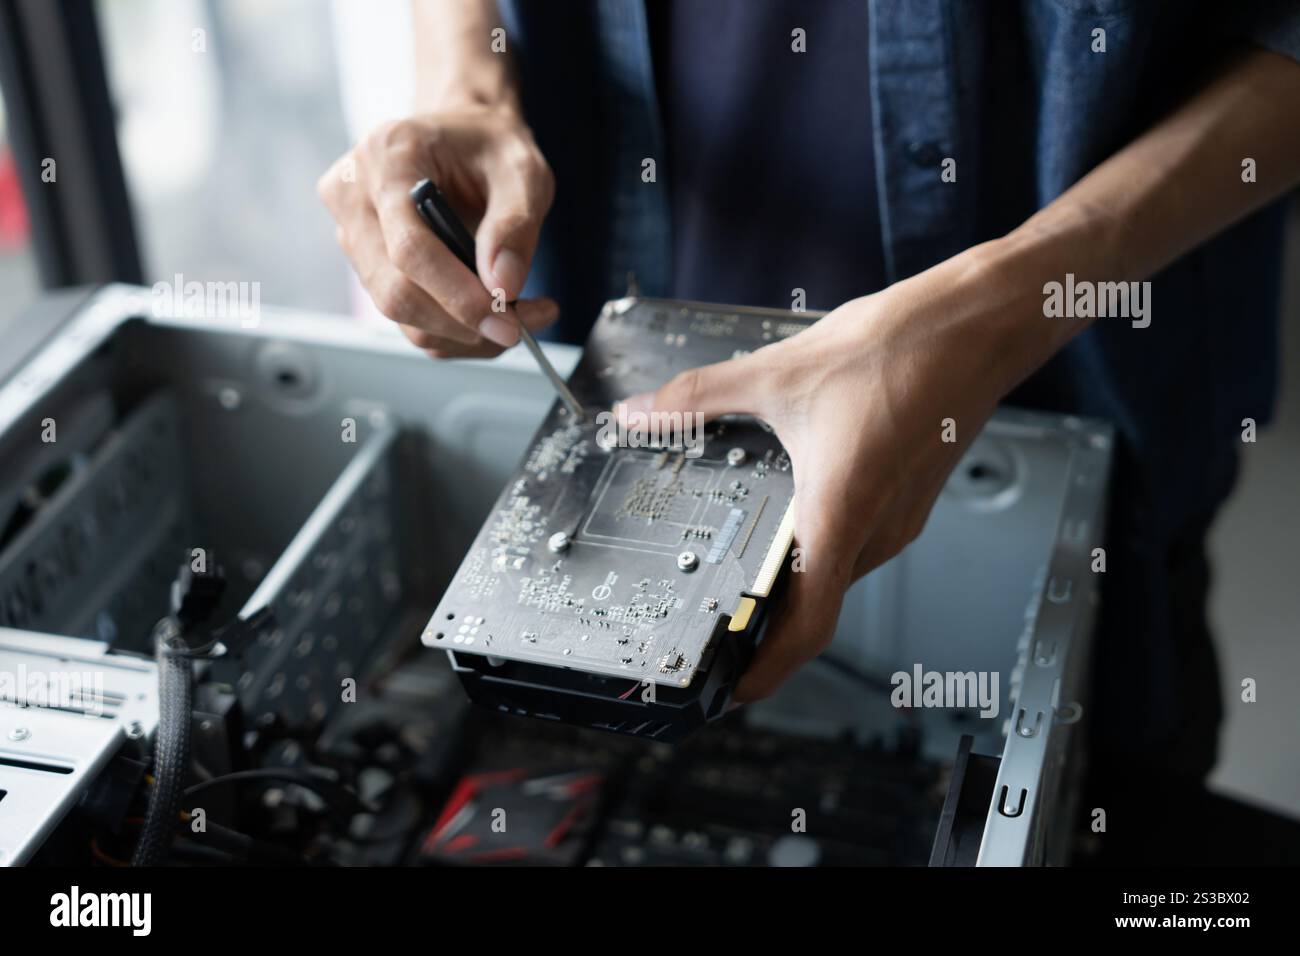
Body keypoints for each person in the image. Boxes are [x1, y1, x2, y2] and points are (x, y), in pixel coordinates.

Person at [318, 0, 1300, 800]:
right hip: (616, 317)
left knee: (1116, 777)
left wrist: (999, 309)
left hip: (1070, 377)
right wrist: (468, 84)